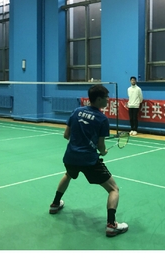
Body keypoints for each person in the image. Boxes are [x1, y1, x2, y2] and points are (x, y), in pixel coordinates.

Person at [48, 84, 128, 237]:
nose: (108, 100)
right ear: (98, 99)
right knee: (114, 189)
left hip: (70, 156)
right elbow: (101, 146)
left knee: (68, 175)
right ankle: (112, 225)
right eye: (106, 98)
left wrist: (79, 143)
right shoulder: (102, 119)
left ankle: (55, 204)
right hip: (89, 161)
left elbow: (66, 135)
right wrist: (103, 151)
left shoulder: (76, 111)